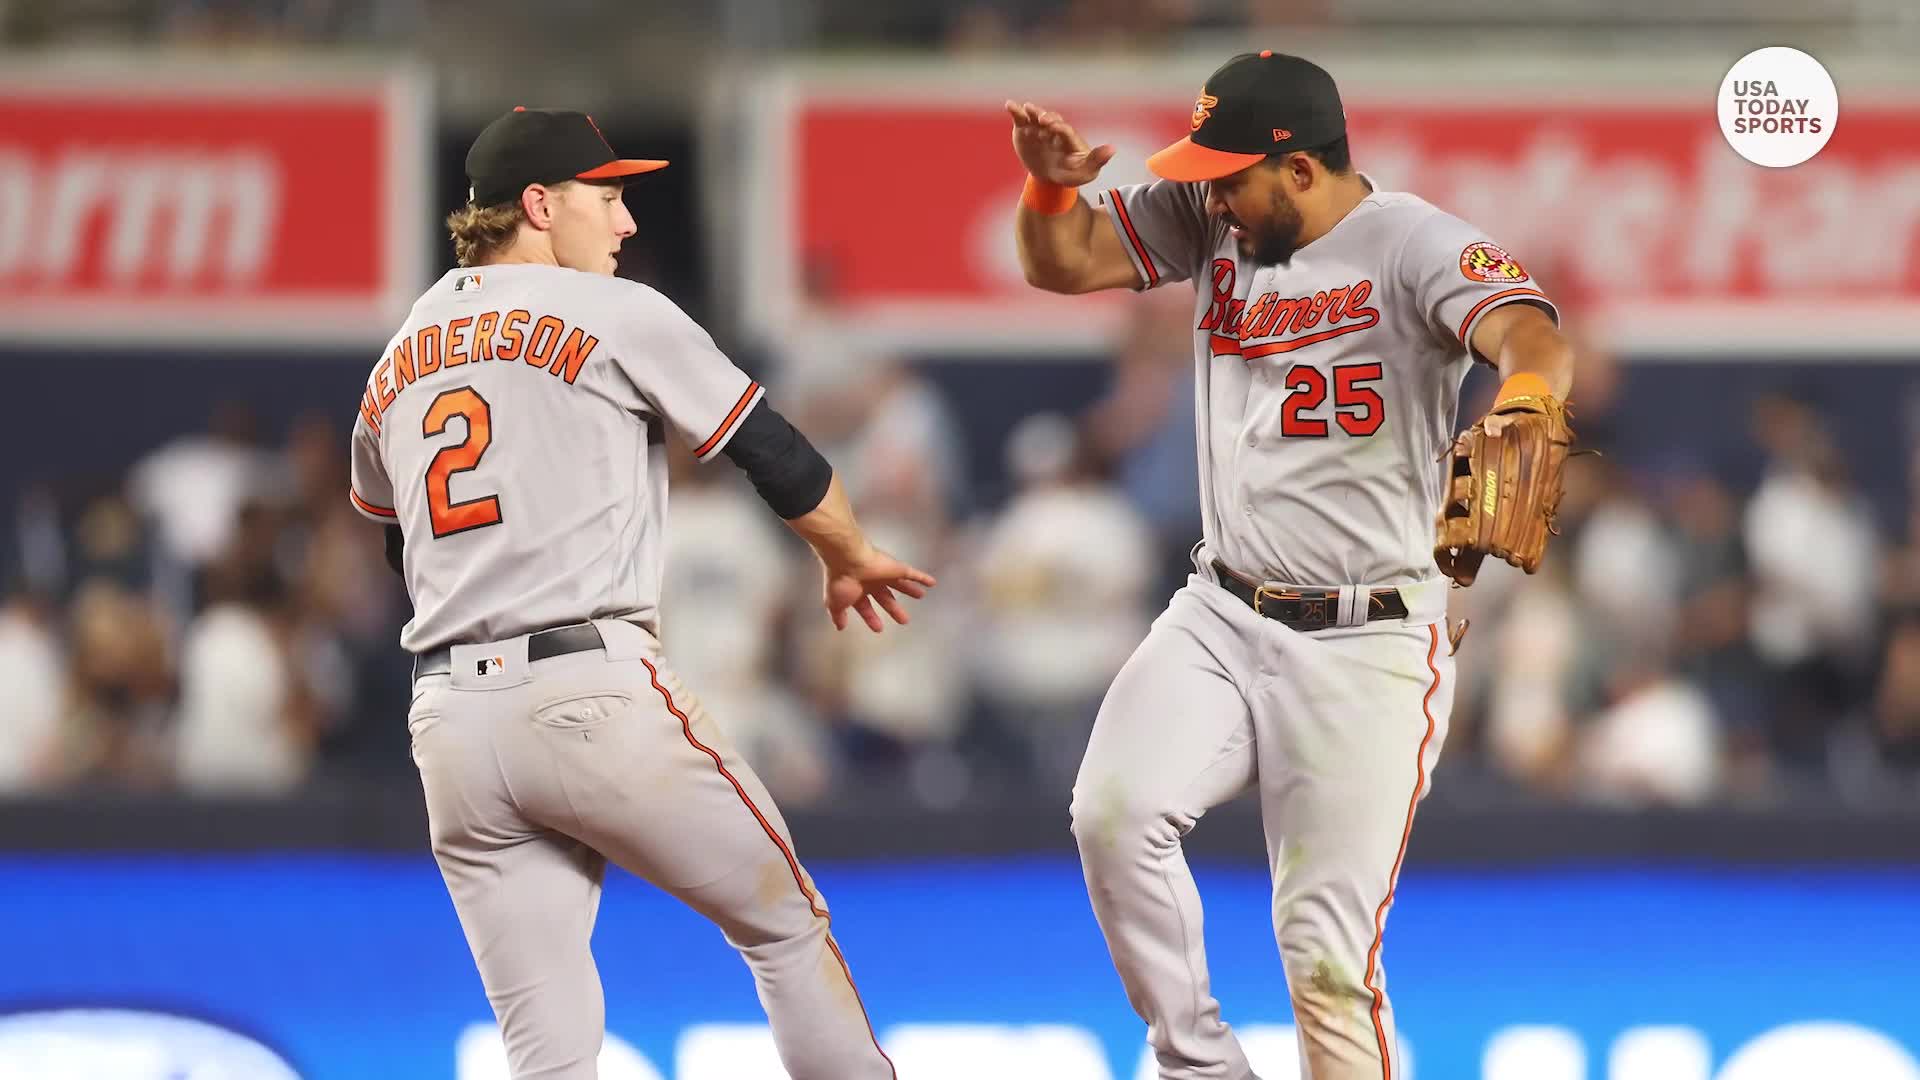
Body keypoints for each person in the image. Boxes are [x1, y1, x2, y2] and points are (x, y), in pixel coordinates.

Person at [1008, 52, 1576, 1079]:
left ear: (1302, 168)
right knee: (1113, 813)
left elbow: (1528, 329)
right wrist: (1050, 185)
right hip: (1221, 608)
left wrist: (1528, 394)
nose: (1213, 194)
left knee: (1324, 956)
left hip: (1371, 636)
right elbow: (1065, 261)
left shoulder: (1413, 241)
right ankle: (1199, 1065)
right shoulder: (1212, 220)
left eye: (1233, 174)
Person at [347, 106, 928, 1080]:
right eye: (606, 197)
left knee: (551, 1049)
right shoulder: (613, 310)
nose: (624, 224)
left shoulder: (398, 355)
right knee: (784, 925)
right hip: (589, 691)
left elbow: (390, 533)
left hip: (449, 720)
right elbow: (770, 451)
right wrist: (852, 551)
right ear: (539, 203)